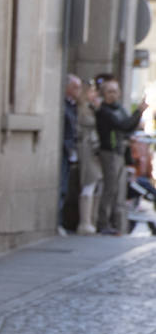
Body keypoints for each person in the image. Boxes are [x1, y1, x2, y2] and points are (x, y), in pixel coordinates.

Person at [95, 79, 147, 235]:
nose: (113, 95)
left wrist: (138, 114)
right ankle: (103, 223)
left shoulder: (118, 109)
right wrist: (138, 111)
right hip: (109, 152)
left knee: (118, 189)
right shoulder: (104, 111)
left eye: (115, 91)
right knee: (110, 188)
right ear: (104, 94)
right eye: (109, 91)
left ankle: (115, 223)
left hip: (119, 152)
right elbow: (122, 125)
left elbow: (128, 126)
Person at [76, 80, 103, 234]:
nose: (95, 94)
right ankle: (85, 222)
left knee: (95, 184)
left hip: (94, 149)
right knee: (89, 182)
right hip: (87, 149)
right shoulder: (82, 109)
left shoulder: (91, 108)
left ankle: (92, 220)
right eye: (92, 91)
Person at [61, 74, 81, 235]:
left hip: (70, 152)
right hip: (64, 151)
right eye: (75, 87)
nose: (78, 91)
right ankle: (59, 221)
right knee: (62, 186)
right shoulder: (64, 106)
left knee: (65, 187)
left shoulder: (74, 106)